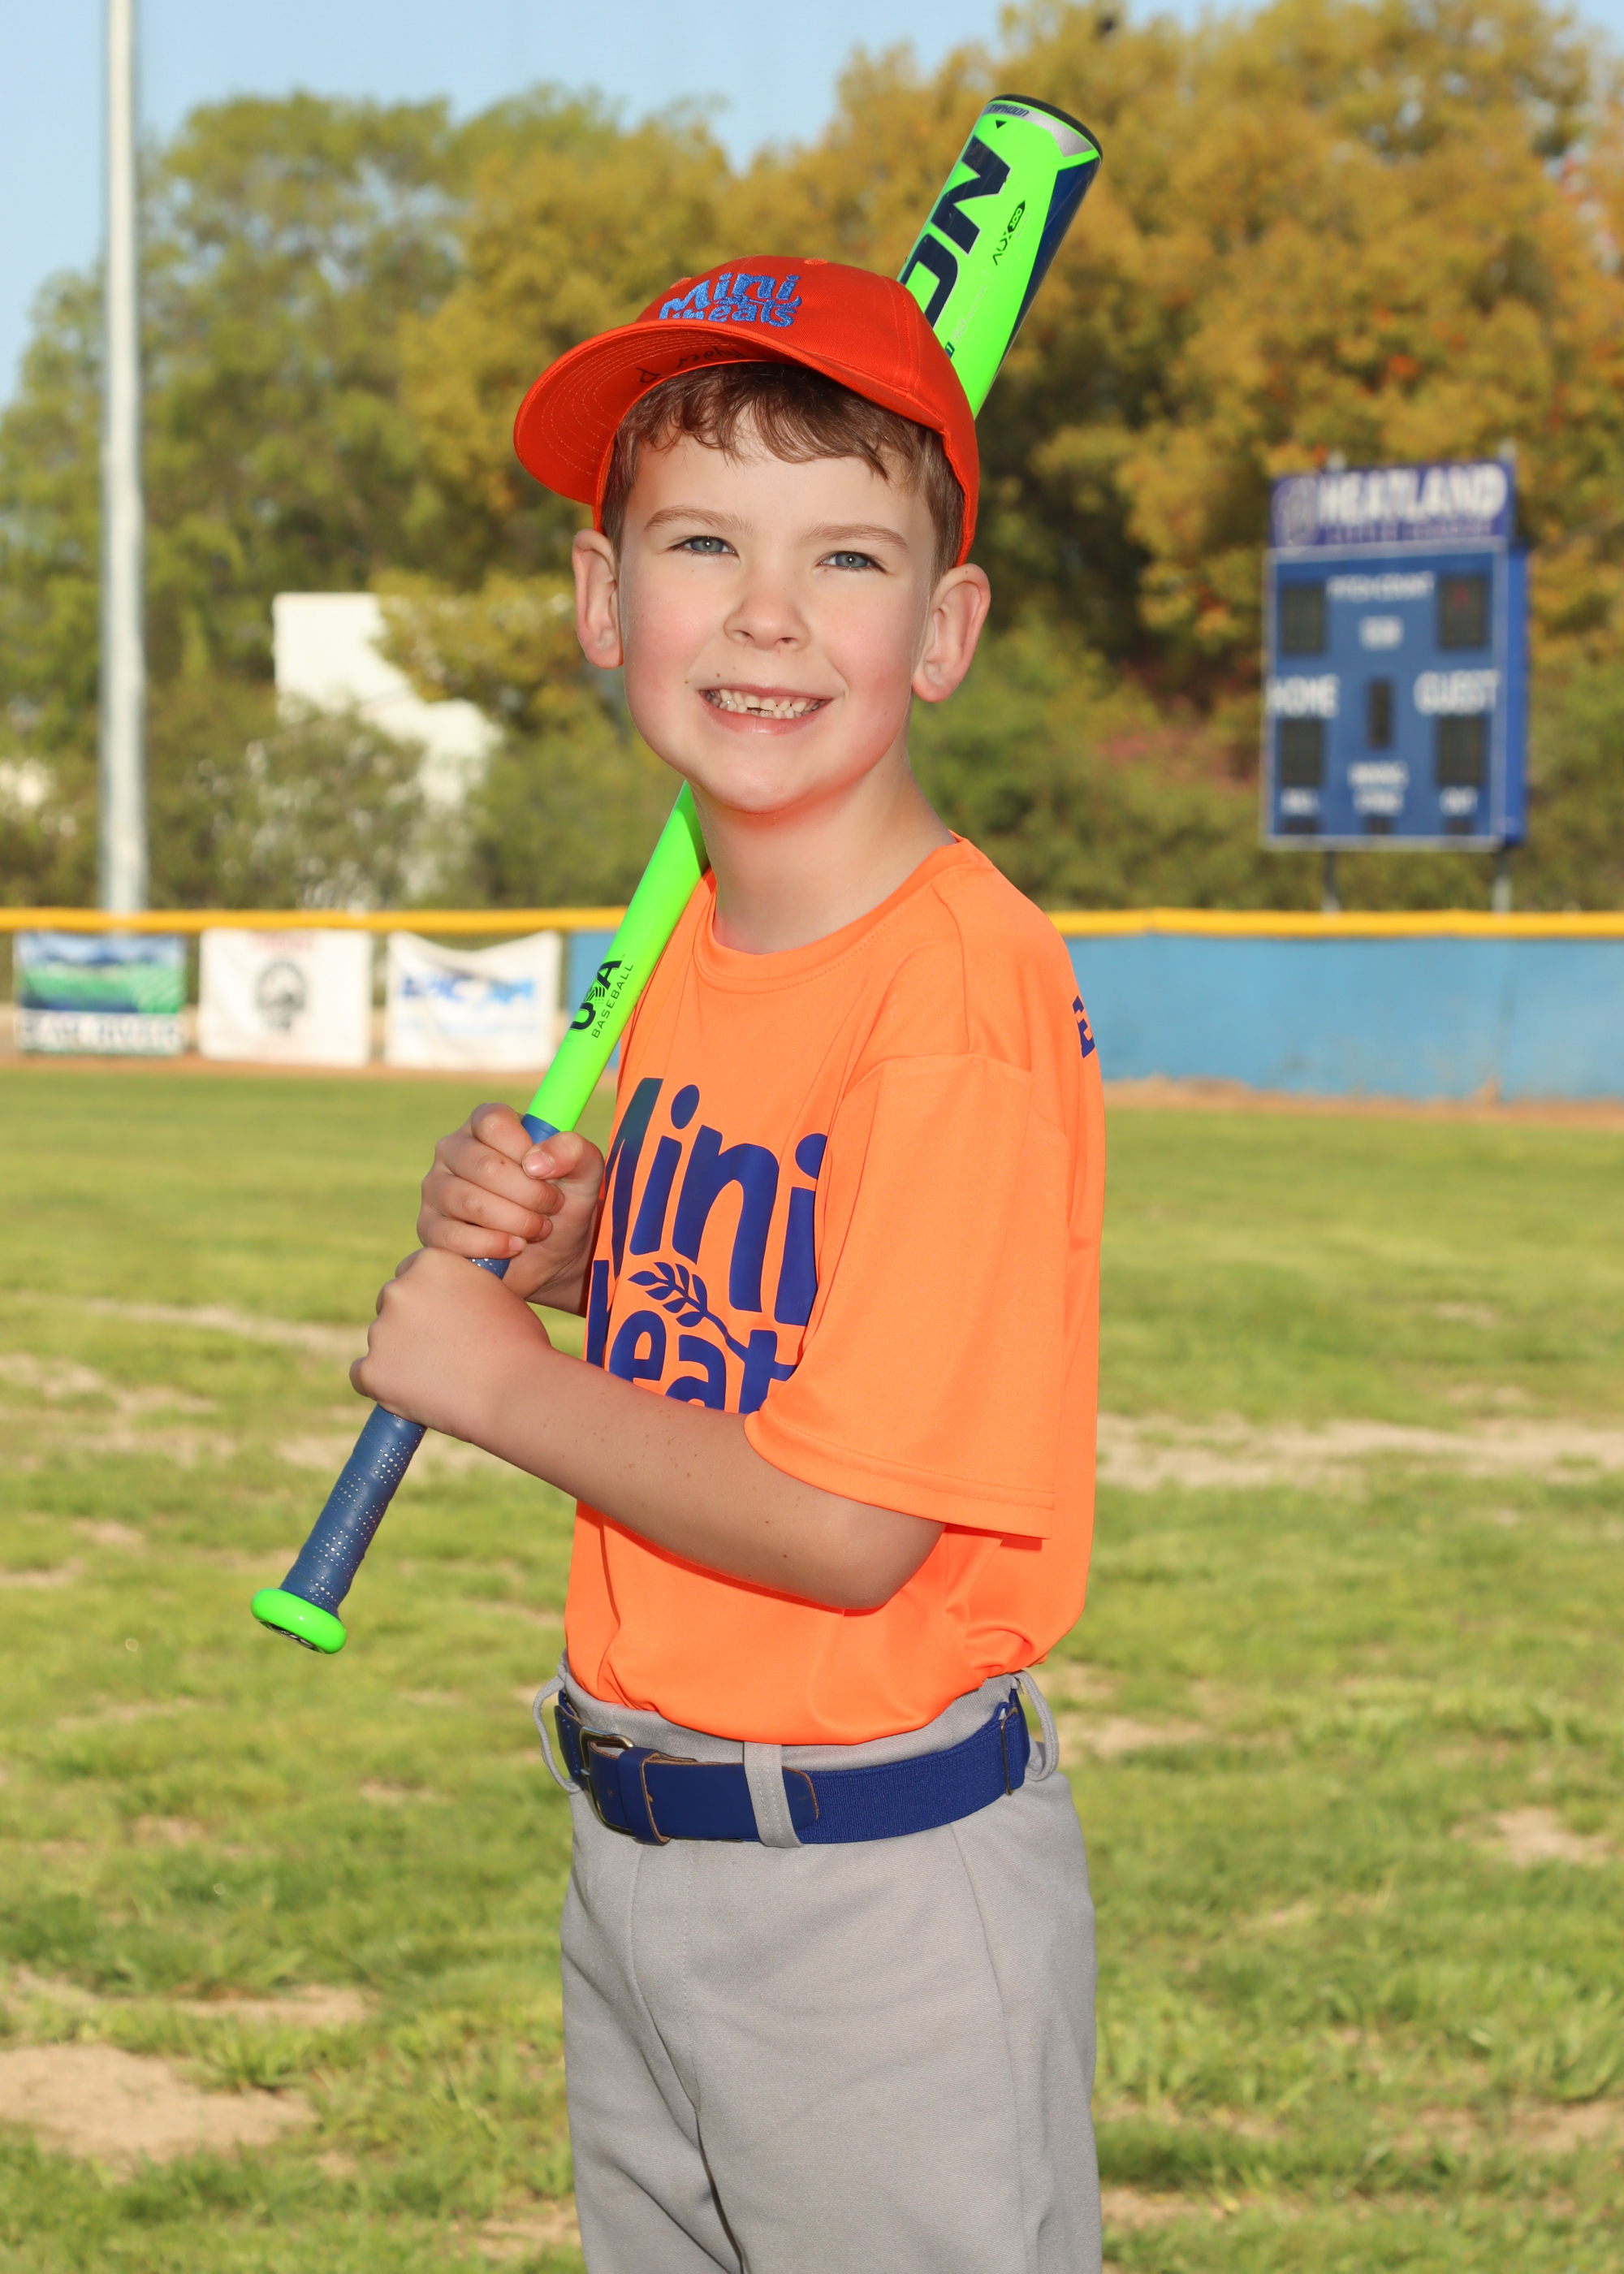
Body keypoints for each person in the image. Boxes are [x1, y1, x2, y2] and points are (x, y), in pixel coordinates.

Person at [352, 256, 1107, 2274]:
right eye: (703, 543)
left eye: (845, 556)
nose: (768, 612)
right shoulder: (700, 933)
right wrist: (585, 1248)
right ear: (604, 599)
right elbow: (760, 1311)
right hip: (646, 1843)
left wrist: (500, 1386)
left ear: (941, 630)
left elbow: (850, 1524)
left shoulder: (954, 995)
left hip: (869, 1884)